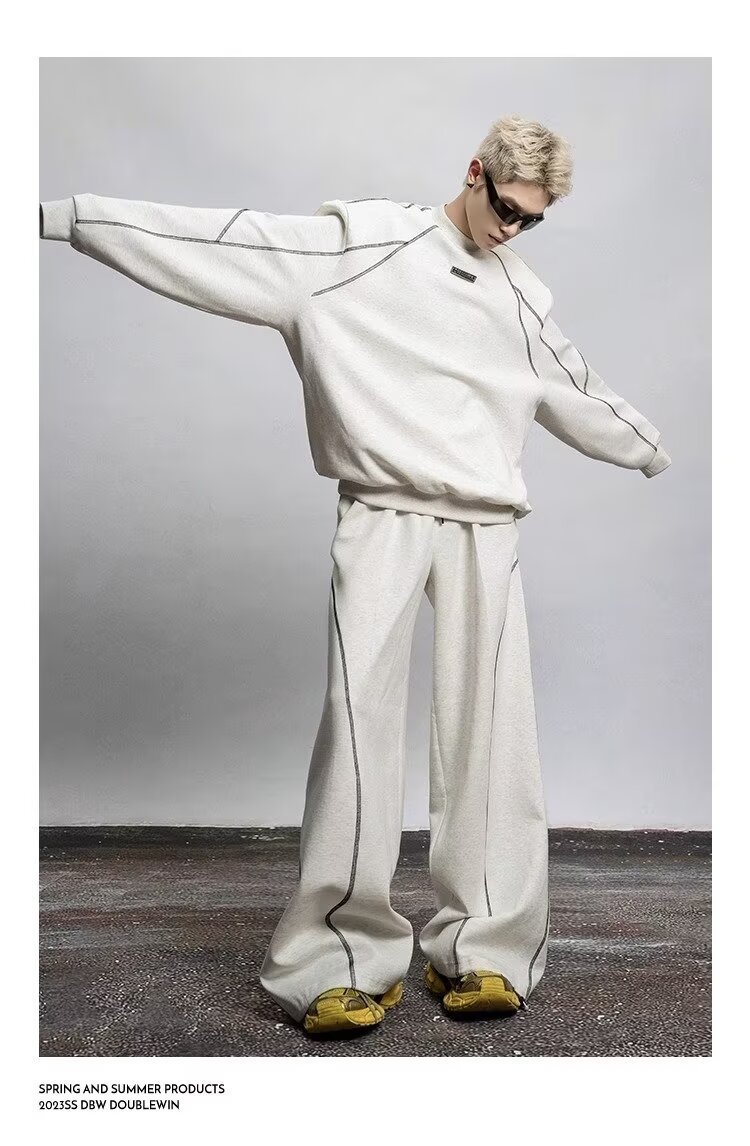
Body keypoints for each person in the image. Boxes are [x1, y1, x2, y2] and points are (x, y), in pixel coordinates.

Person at [40, 113, 671, 1039]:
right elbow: (218, 241)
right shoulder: (362, 245)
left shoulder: (520, 294)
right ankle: (335, 959)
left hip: (486, 522)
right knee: (358, 721)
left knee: (494, 730)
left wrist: (655, 448)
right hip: (381, 507)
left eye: (533, 220)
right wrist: (63, 216)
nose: (513, 229)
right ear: (475, 172)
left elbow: (578, 389)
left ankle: (489, 951)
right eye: (506, 207)